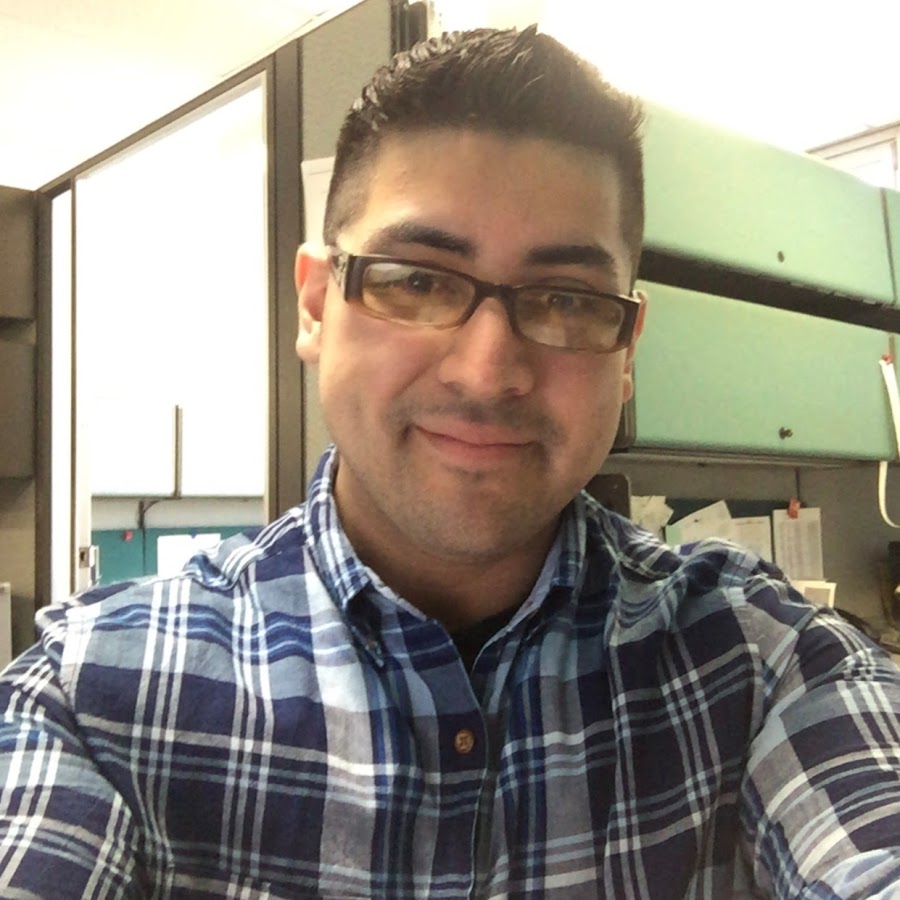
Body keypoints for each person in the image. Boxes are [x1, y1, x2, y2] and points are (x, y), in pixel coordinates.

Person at [1, 25, 899, 900]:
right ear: (315, 306)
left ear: (627, 350)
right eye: (418, 280)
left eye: (565, 300)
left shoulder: (763, 661)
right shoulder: (94, 698)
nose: (487, 371)